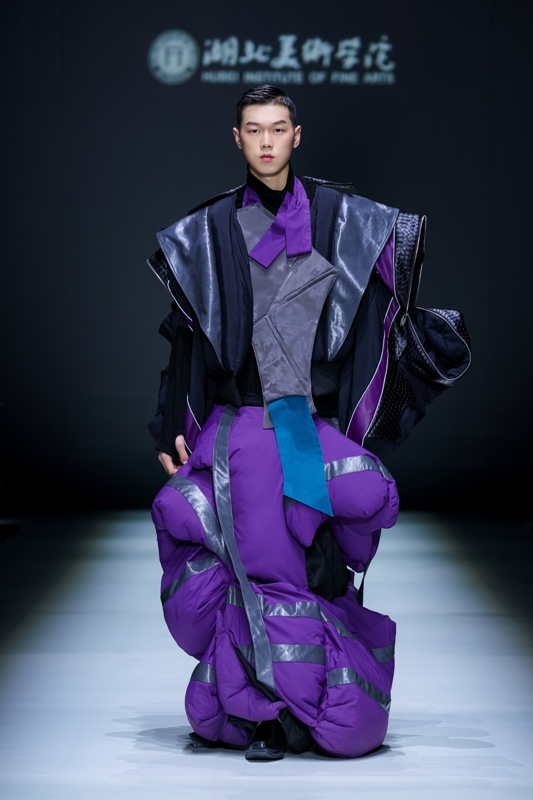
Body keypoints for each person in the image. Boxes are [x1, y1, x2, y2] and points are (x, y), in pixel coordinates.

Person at [148, 85, 470, 761]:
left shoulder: (339, 219)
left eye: (277, 128)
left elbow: (389, 297)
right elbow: (186, 339)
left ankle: (291, 700)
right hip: (240, 423)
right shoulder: (208, 231)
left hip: (307, 424)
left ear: (297, 135)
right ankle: (269, 714)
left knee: (317, 562)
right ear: (237, 138)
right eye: (253, 129)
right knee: (260, 568)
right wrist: (172, 426)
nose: (266, 141)